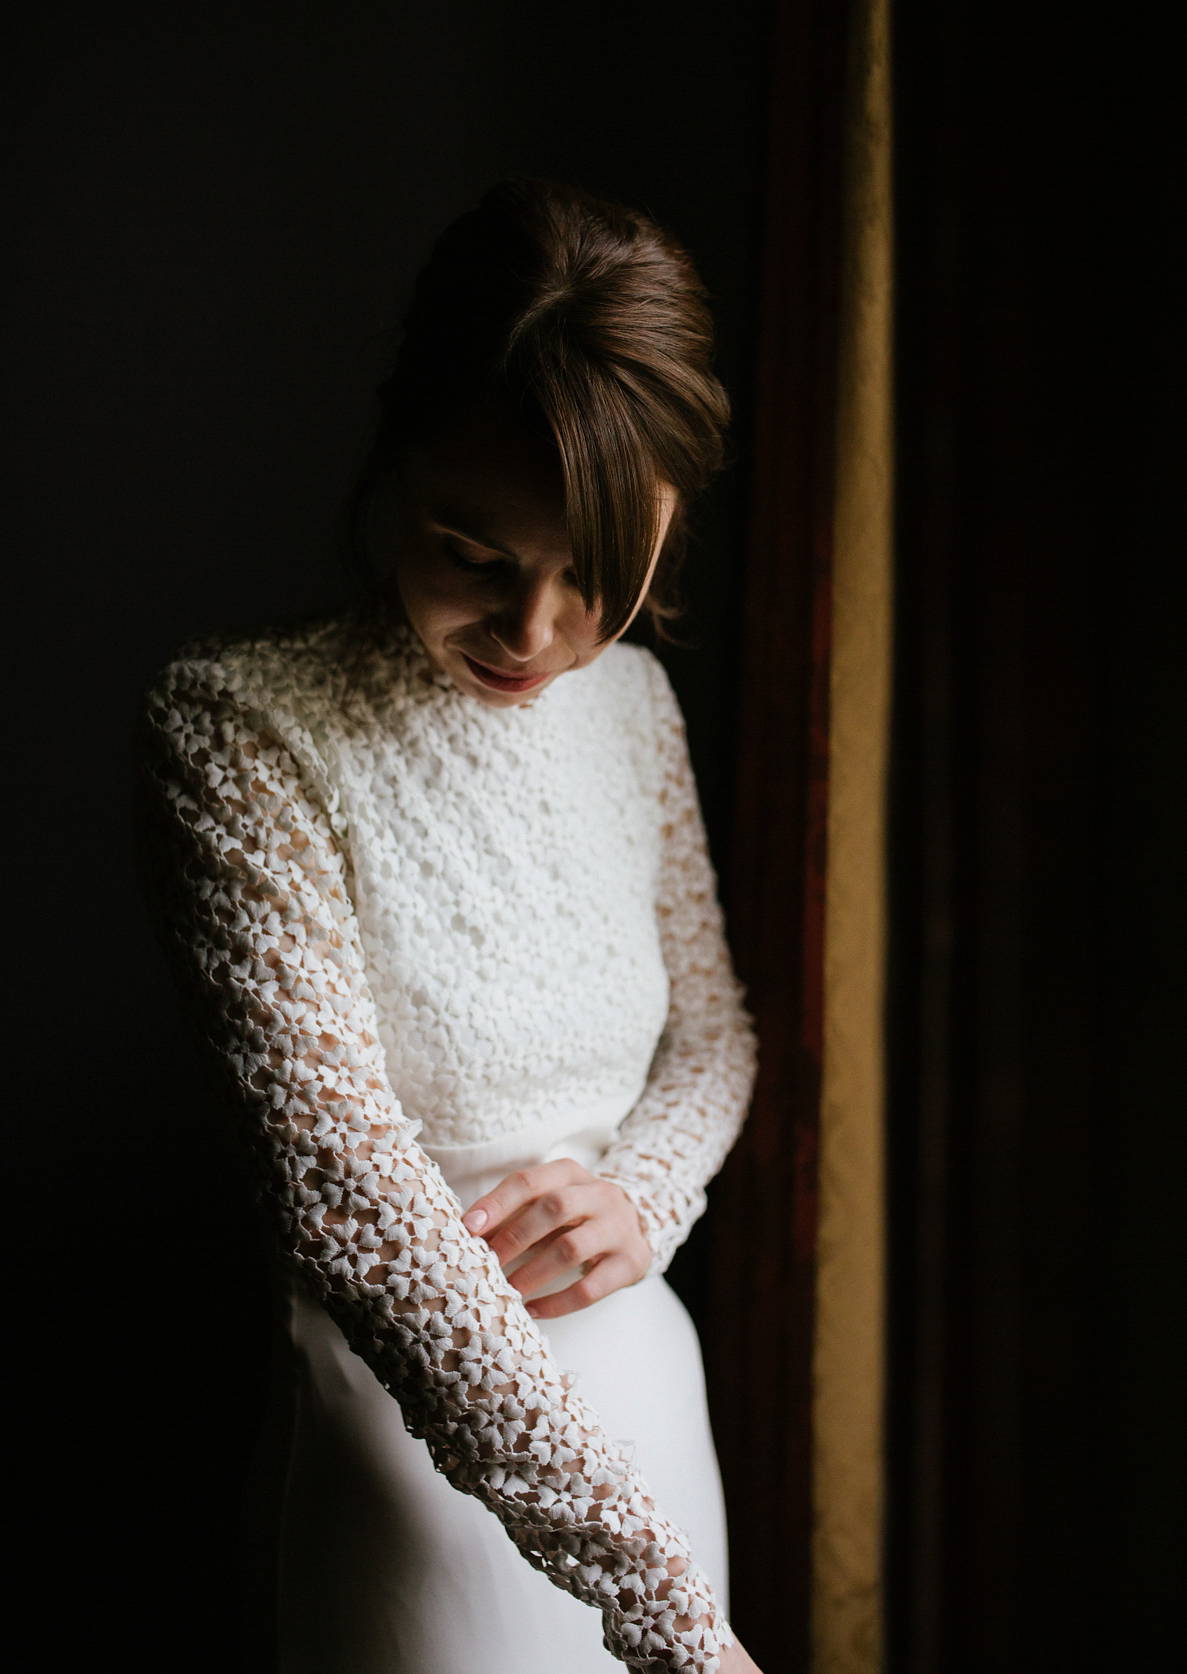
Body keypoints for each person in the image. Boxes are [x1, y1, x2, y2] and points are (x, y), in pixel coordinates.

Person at [135, 179, 762, 1673]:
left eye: (601, 575)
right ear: (398, 454)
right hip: (413, 1460)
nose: (535, 633)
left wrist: (648, 1199)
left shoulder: (635, 706)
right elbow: (362, 1216)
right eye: (472, 553)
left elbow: (714, 1028)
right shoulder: (238, 732)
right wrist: (676, 1621)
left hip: (654, 1406)